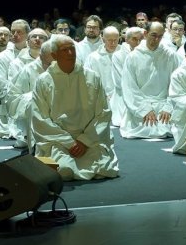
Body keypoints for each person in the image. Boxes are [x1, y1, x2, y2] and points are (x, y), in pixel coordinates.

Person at [31, 36, 120, 181]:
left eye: (72, 48)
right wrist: (69, 142)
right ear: (54, 55)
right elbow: (40, 119)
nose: (70, 53)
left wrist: (84, 141)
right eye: (64, 50)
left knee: (104, 169)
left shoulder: (92, 77)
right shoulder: (44, 81)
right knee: (64, 170)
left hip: (89, 138)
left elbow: (103, 113)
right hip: (59, 141)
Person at [121, 22, 180, 139]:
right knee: (146, 127)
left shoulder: (170, 55)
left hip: (164, 104)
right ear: (145, 33)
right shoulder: (133, 57)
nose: (157, 39)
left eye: (160, 36)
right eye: (153, 35)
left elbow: (176, 85)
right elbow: (129, 87)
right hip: (140, 104)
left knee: (168, 127)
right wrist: (145, 110)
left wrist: (168, 107)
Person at [83, 26, 126, 128]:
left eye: (116, 40)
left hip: (121, 98)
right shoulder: (93, 57)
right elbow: (89, 80)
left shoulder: (125, 55)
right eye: (109, 40)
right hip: (101, 99)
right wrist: (103, 95)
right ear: (103, 39)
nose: (113, 43)